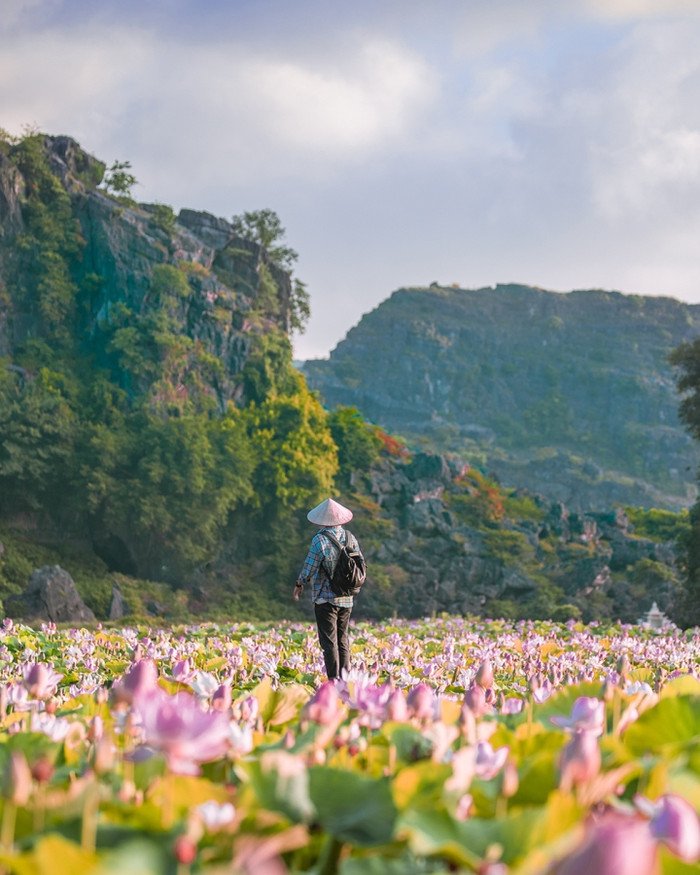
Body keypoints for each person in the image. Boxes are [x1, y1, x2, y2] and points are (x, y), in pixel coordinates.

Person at [293, 497, 364, 681]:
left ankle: (333, 681)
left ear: (322, 520)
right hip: (347, 598)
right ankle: (345, 680)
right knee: (343, 639)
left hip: (325, 598)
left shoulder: (319, 540)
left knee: (329, 641)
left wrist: (300, 583)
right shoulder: (351, 537)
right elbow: (360, 564)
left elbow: (310, 568)